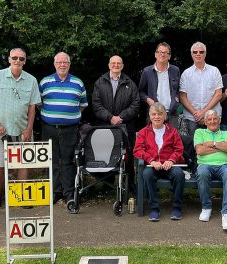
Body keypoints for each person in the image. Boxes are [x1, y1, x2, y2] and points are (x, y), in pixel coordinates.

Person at [0, 48, 41, 211]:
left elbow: (32, 107)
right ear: (9, 59)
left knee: (23, 164)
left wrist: (29, 128)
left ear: (25, 61)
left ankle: (22, 197)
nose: (17, 61)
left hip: (23, 130)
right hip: (1, 131)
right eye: (14, 58)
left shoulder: (31, 80)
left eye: (21, 59)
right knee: (0, 165)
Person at [39, 52, 88, 204]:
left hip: (70, 129)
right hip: (49, 128)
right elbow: (38, 103)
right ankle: (54, 192)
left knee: (68, 161)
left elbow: (83, 105)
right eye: (59, 62)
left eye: (65, 62)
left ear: (69, 64)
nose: (62, 65)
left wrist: (69, 116)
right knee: (51, 160)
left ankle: (69, 193)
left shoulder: (78, 83)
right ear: (54, 64)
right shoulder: (45, 82)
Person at [92, 55, 139, 194]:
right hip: (104, 126)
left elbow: (135, 105)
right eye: (113, 63)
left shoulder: (130, 83)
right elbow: (96, 105)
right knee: (106, 155)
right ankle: (107, 184)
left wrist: (121, 117)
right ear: (109, 65)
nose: (116, 65)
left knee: (128, 156)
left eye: (119, 63)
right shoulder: (100, 83)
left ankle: (129, 185)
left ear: (122, 66)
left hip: (125, 126)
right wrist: (110, 117)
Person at [134, 102, 185, 221]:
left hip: (169, 165)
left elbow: (179, 149)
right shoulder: (143, 132)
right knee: (147, 174)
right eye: (154, 114)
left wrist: (172, 160)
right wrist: (151, 160)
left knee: (179, 174)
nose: (157, 117)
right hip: (153, 166)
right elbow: (138, 150)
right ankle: (154, 209)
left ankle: (177, 208)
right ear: (150, 116)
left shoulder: (172, 131)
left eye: (160, 114)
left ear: (165, 116)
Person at [194, 110, 227, 231]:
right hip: (205, 165)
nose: (213, 121)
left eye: (215, 118)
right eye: (210, 119)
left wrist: (211, 143)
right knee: (202, 173)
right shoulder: (199, 132)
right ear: (205, 122)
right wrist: (222, 146)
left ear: (219, 120)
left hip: (224, 165)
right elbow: (199, 151)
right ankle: (206, 207)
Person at [180, 42, 223, 136]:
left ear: (205, 53)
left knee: (214, 147)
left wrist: (203, 113)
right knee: (193, 146)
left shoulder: (214, 71)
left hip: (213, 117)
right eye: (195, 52)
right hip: (192, 117)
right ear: (191, 54)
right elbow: (182, 97)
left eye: (201, 52)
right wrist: (196, 114)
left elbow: (218, 94)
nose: (198, 54)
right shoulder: (186, 73)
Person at [138, 42, 180, 128]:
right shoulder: (147, 71)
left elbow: (178, 90)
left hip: (172, 114)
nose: (162, 54)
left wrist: (176, 101)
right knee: (154, 140)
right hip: (154, 114)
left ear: (169, 56)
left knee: (172, 140)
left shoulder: (175, 70)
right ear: (155, 54)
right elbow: (140, 92)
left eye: (165, 52)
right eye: (160, 52)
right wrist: (148, 99)